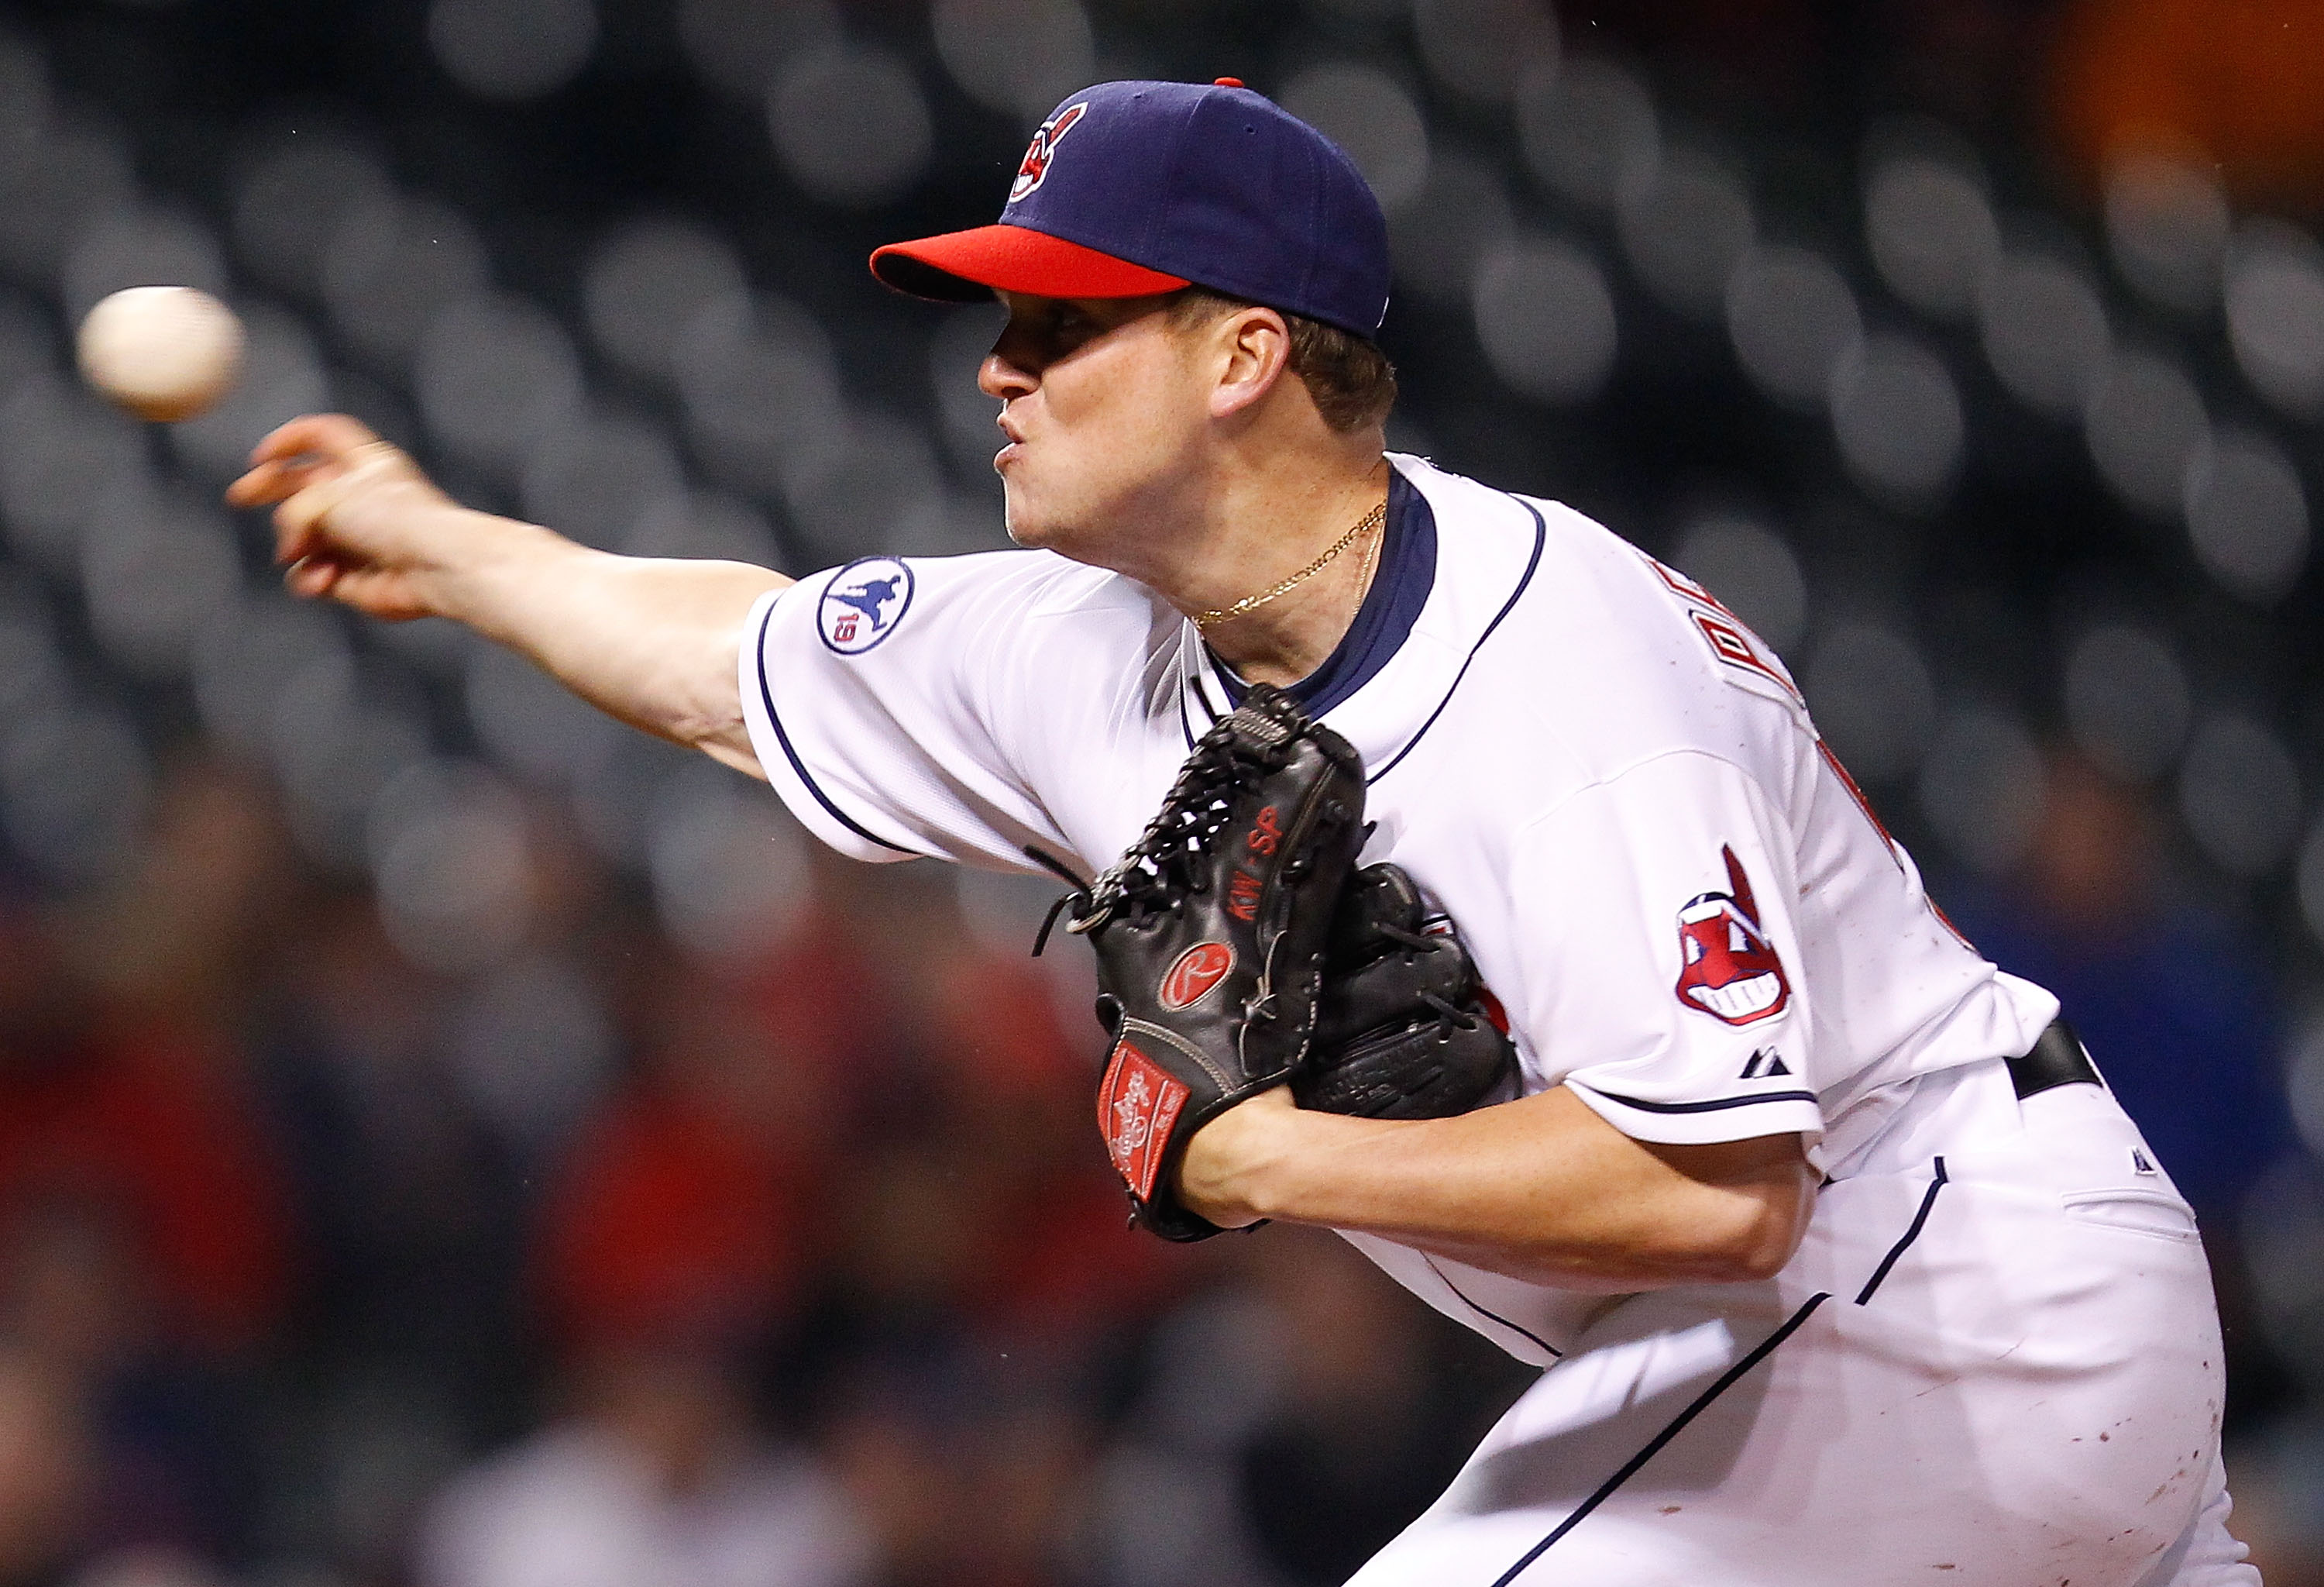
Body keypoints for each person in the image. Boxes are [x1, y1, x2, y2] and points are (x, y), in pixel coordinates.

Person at [226, 77, 2257, 1586]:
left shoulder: (1566, 671)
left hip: (1950, 1279)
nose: (999, 371)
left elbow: (1721, 1183)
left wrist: (1254, 1152)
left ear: (1244, 356)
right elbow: (737, 660)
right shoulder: (1088, 651)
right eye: (997, 322)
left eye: (1058, 326)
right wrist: (447, 545)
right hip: (1833, 1342)